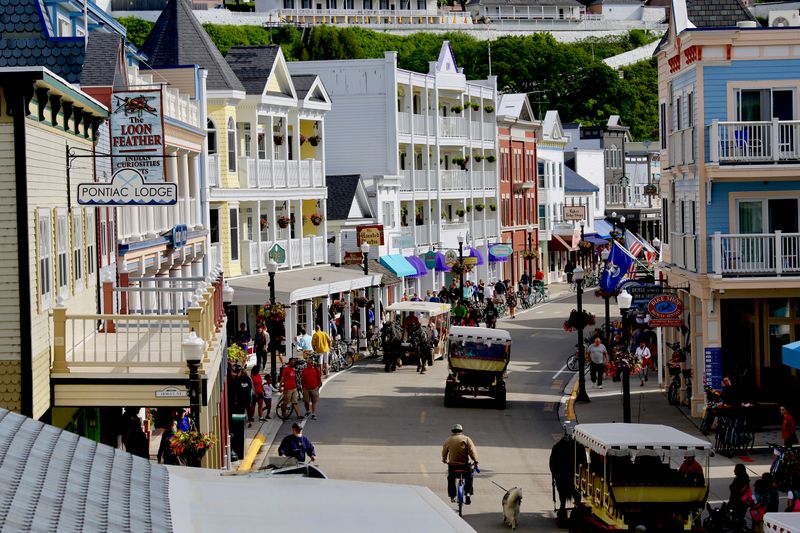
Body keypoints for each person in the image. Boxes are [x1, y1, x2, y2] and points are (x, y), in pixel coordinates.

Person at [442, 424, 479, 505]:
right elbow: (472, 451)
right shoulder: (466, 439)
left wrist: (444, 459)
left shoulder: (448, 440)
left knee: (451, 478)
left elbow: (444, 452)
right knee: (469, 477)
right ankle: (468, 493)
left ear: (452, 431)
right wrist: (475, 461)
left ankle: (452, 495)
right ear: (461, 431)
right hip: (465, 466)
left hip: (453, 466)